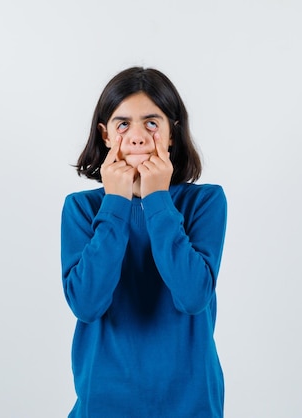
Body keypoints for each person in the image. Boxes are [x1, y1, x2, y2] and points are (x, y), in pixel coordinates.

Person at [60, 67, 227, 417]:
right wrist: (116, 203)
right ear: (105, 135)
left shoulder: (206, 202)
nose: (137, 136)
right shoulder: (82, 208)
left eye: (152, 123)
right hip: (104, 403)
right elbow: (87, 303)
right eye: (123, 124)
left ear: (171, 134)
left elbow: (194, 295)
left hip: (190, 405)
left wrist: (157, 200)